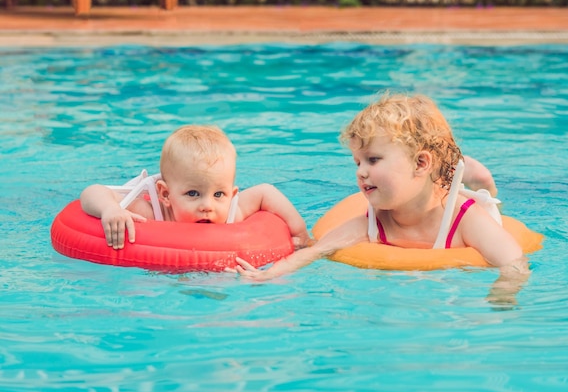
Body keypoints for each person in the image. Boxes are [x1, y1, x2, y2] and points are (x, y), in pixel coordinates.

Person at [228, 94, 529, 291]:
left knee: (482, 190)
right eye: (357, 162)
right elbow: (316, 250)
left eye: (373, 160)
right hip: (427, 179)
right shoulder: (373, 222)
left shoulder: (466, 221)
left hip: (454, 201)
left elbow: (514, 263)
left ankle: (478, 177)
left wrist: (501, 297)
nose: (360, 172)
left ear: (420, 163)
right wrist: (266, 274)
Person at [80, 125, 310, 250]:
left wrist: (300, 233)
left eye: (219, 194)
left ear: (232, 195)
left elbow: (265, 191)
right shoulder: (152, 214)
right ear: (165, 194)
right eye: (193, 193)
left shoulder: (230, 212)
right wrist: (110, 209)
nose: (207, 206)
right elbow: (92, 192)